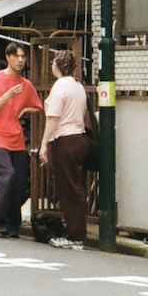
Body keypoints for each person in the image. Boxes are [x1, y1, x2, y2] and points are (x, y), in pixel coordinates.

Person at [0, 42, 43, 239]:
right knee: (7, 174)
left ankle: (12, 225)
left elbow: (39, 107)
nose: (20, 60)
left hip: (15, 139)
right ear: (8, 57)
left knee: (18, 182)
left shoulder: (26, 85)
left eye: (23, 57)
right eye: (16, 56)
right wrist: (7, 96)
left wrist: (24, 110)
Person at [39, 50, 90, 248]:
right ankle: (76, 231)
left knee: (68, 189)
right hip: (80, 138)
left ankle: (74, 234)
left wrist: (44, 143)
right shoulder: (78, 86)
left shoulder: (60, 86)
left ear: (56, 65)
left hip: (64, 140)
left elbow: (53, 117)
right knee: (76, 187)